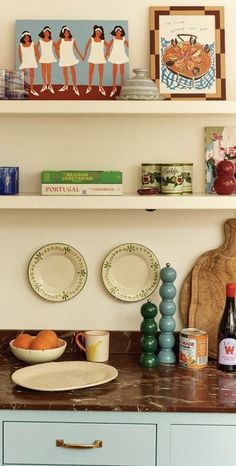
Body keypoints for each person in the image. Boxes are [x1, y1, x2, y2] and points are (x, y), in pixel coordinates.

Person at [55, 26, 83, 96]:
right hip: (64, 58)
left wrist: (81, 56)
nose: (66, 34)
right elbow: (56, 48)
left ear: (69, 33)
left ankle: (74, 86)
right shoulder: (60, 40)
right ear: (63, 33)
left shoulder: (72, 40)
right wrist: (59, 56)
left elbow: (76, 49)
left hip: (71, 58)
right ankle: (66, 85)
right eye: (65, 33)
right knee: (65, 72)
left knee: (73, 72)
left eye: (67, 32)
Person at [83, 25, 109, 96]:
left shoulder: (103, 40)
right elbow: (86, 47)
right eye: (97, 32)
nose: (98, 33)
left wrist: (106, 54)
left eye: (99, 32)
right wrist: (84, 56)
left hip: (101, 58)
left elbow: (108, 46)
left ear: (101, 32)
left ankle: (100, 86)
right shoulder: (91, 39)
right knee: (90, 72)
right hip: (92, 57)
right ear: (95, 32)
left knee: (101, 73)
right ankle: (89, 86)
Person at [108, 26, 129, 97]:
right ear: (115, 32)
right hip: (115, 55)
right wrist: (107, 52)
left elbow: (128, 45)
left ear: (121, 32)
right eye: (117, 32)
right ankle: (114, 87)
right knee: (114, 72)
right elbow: (108, 45)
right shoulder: (113, 39)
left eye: (119, 32)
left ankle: (122, 86)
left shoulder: (123, 39)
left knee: (122, 72)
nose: (118, 33)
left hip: (122, 55)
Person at [36, 26, 57, 94]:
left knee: (49, 72)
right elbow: (35, 48)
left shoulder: (51, 41)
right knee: (43, 71)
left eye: (48, 33)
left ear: (49, 34)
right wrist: (38, 56)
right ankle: (44, 85)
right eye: (45, 32)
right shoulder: (40, 41)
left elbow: (57, 47)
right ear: (43, 33)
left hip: (49, 57)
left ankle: (50, 85)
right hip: (43, 57)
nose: (47, 34)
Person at [18, 31, 39, 96]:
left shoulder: (33, 44)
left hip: (32, 61)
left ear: (29, 37)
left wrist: (36, 61)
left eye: (28, 37)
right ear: (23, 38)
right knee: (23, 75)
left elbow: (37, 54)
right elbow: (19, 55)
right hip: (24, 62)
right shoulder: (20, 45)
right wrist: (22, 62)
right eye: (25, 37)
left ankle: (32, 89)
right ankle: (23, 89)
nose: (27, 38)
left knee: (32, 75)